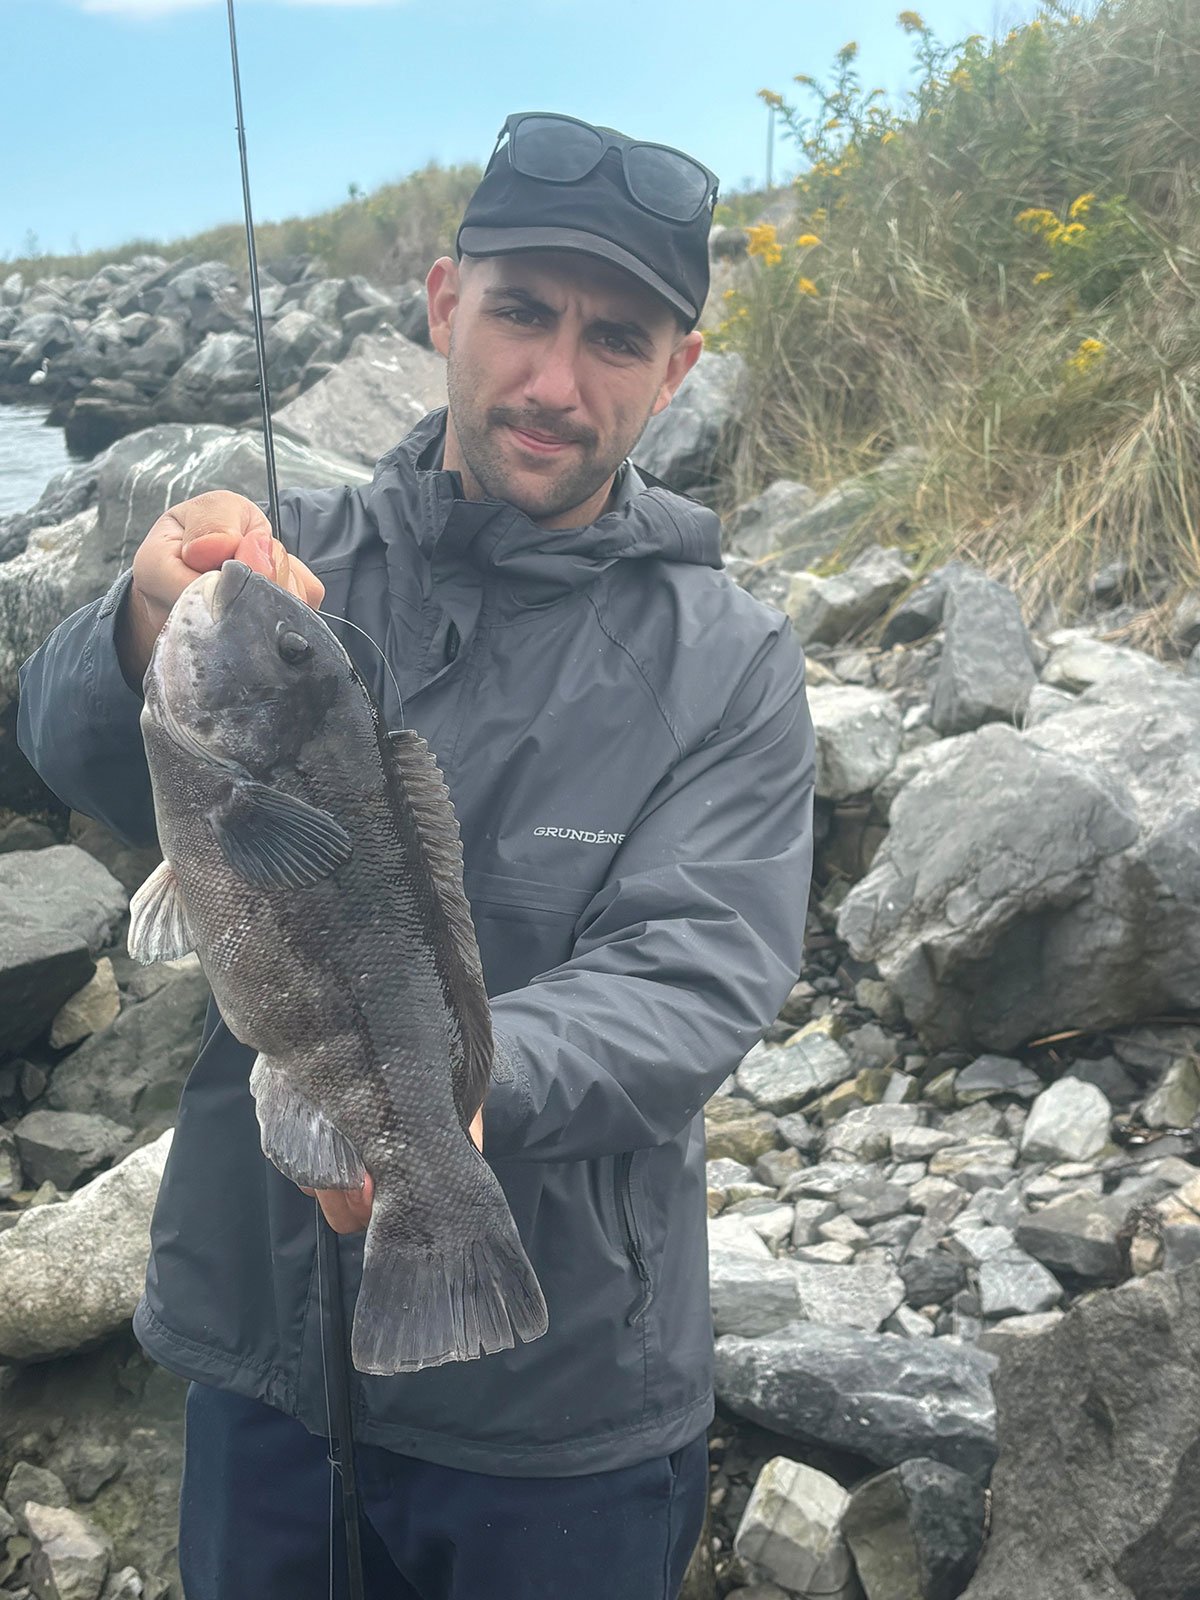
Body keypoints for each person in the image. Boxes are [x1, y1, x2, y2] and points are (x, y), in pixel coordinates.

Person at [17, 111, 816, 1600]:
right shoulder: (288, 576)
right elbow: (64, 756)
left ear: (678, 372)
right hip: (262, 1357)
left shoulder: (733, 663)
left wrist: (432, 1111)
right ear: (445, 304)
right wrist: (135, 624)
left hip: (562, 1402)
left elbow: (694, 974)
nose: (555, 382)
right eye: (522, 312)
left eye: (615, 339)